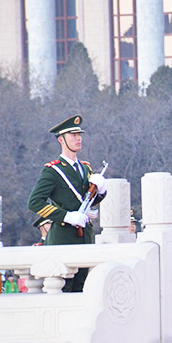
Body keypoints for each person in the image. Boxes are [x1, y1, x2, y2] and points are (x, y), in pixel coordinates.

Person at [27, 115, 107, 292]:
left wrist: (101, 191)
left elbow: (87, 200)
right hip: (63, 237)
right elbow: (34, 202)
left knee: (83, 288)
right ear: (61, 139)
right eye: (73, 135)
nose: (78, 138)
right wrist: (66, 216)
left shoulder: (85, 168)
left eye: (79, 134)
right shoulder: (53, 171)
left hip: (85, 236)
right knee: (65, 289)